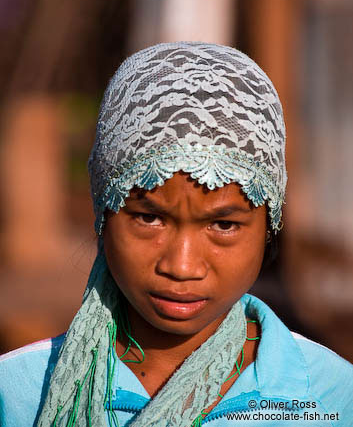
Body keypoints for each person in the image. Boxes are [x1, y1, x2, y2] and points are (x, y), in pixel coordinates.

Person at [0, 42, 352, 427]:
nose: (182, 265)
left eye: (223, 225)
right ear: (104, 211)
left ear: (268, 227)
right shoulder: (20, 393)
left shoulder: (327, 396)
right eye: (150, 218)